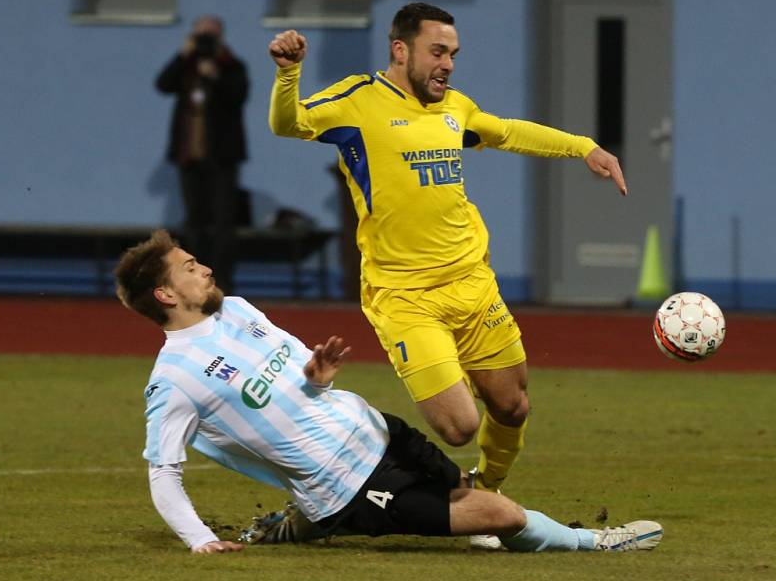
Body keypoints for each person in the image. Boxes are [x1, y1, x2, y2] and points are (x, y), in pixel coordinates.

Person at [267, 2, 628, 548]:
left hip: (471, 283)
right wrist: (288, 74)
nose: (448, 64)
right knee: (458, 426)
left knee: (512, 406)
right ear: (400, 50)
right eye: (437, 52)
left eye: (453, 54)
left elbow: (507, 132)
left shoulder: (454, 109)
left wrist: (585, 148)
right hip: (404, 295)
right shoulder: (356, 102)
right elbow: (287, 123)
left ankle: (489, 499)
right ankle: (348, 487)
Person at [113, 230, 662, 555]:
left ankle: (297, 522)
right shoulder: (175, 377)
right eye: (190, 267)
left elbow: (293, 382)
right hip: (351, 487)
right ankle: (598, 543)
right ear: (165, 293)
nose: (205, 268)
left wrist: (317, 374)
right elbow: (163, 471)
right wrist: (198, 539)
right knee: (502, 516)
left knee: (460, 484)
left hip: (379, 429)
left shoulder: (238, 310)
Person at [155, 15, 249, 294]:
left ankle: (223, 282)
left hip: (222, 158)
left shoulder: (231, 65)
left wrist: (215, 77)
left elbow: (239, 96)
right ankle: (191, 281)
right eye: (201, 35)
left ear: (221, 36)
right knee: (193, 221)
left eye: (211, 35)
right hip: (189, 156)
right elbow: (162, 84)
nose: (205, 40)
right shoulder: (186, 66)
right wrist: (183, 54)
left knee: (223, 223)